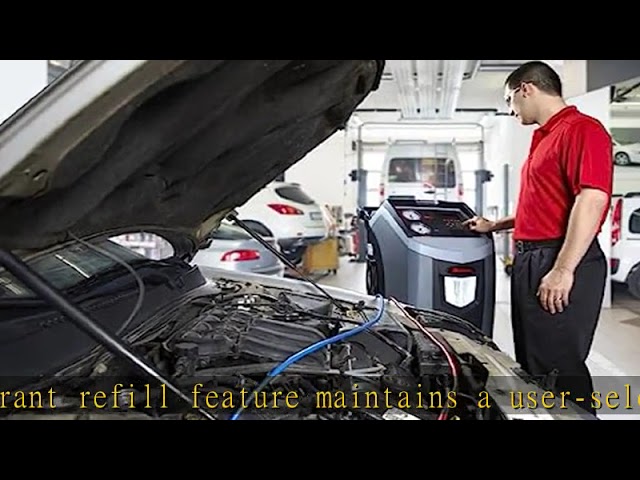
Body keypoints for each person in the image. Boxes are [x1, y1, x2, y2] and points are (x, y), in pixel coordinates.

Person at [464, 61, 613, 416]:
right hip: (532, 258)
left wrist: (562, 269)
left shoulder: (582, 129)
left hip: (559, 257)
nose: (510, 109)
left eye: (509, 100)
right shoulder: (544, 136)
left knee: (558, 365)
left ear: (526, 88)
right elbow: (544, 205)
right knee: (534, 363)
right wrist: (495, 225)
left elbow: (592, 198)